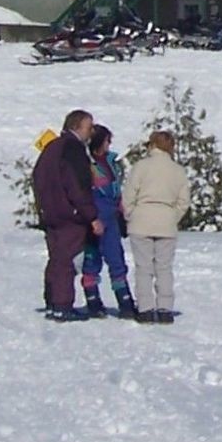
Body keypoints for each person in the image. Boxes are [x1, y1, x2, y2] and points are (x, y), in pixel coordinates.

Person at [32, 109, 100, 322]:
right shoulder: (73, 150)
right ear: (77, 127)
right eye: (89, 127)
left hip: (51, 213)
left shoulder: (51, 148)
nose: (91, 132)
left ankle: (53, 302)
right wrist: (90, 215)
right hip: (69, 214)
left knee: (56, 259)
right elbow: (76, 185)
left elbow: (37, 177)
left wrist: (44, 206)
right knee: (67, 260)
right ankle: (62, 305)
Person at [124, 129, 192, 323]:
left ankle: (145, 309)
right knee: (164, 268)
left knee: (143, 267)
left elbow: (129, 194)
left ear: (152, 145)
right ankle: (165, 309)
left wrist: (131, 214)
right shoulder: (178, 170)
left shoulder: (141, 166)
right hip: (166, 223)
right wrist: (172, 217)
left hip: (141, 221)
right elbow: (183, 201)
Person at [79, 125, 136, 319]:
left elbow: (116, 189)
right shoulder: (86, 163)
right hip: (94, 215)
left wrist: (121, 209)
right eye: (107, 141)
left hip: (111, 215)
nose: (109, 144)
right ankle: (93, 298)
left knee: (116, 258)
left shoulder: (111, 161)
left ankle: (125, 299)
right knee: (92, 258)